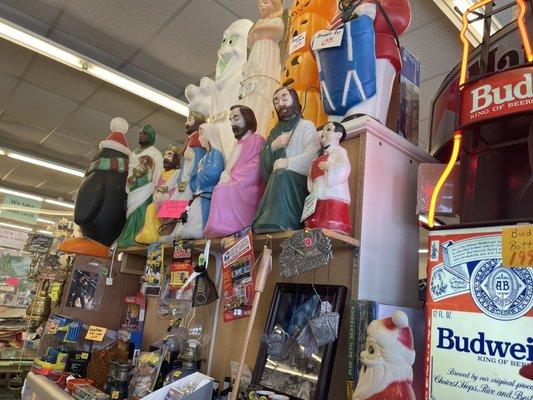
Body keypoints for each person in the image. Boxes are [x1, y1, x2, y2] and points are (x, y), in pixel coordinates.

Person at [253, 87, 320, 233]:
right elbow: (263, 161)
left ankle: (284, 221)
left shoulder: (306, 126)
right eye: (276, 102)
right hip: (278, 180)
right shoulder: (274, 132)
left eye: (284, 98)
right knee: (279, 175)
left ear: (294, 100)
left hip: (299, 181)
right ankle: (268, 220)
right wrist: (273, 146)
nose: (281, 104)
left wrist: (289, 163)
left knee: (281, 175)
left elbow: (313, 156)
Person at [204, 105, 265, 239]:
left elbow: (256, 165)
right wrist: (225, 174)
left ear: (247, 119)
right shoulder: (236, 145)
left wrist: (233, 176)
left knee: (225, 189)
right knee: (219, 188)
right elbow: (230, 166)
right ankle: (219, 226)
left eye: (236, 119)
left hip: (247, 184)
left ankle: (234, 225)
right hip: (234, 181)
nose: (232, 124)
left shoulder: (257, 139)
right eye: (231, 120)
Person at [173, 123, 225, 239]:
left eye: (201, 134)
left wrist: (200, 175)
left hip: (207, 193)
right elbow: (196, 177)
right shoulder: (205, 157)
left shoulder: (216, 153)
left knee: (197, 225)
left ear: (209, 135)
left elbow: (214, 173)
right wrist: (196, 179)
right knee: (186, 225)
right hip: (199, 193)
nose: (199, 138)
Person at [241, 0, 284, 135]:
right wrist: (258, 28)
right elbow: (250, 39)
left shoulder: (277, 20)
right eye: (260, 4)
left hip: (268, 47)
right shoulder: (259, 22)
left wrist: (258, 28)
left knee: (265, 75)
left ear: (275, 5)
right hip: (257, 50)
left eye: (266, 2)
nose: (262, 6)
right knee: (252, 74)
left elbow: (275, 28)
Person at [116, 125, 163, 247]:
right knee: (131, 211)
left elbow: (158, 172)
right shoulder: (133, 153)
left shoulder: (155, 153)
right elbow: (131, 169)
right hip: (134, 187)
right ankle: (129, 236)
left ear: (151, 137)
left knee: (143, 210)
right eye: (140, 133)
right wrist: (130, 179)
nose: (141, 135)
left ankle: (139, 235)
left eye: (145, 133)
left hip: (147, 188)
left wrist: (156, 187)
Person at [353, 311, 416, 400]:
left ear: (390, 356)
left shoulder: (393, 392)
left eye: (371, 350)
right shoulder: (375, 388)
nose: (362, 354)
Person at [305, 122, 352, 235]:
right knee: (318, 210)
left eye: (329, 129)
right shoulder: (319, 154)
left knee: (330, 210)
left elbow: (345, 167)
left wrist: (330, 167)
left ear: (338, 135)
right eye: (323, 130)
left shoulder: (339, 151)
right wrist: (311, 174)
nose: (324, 132)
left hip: (332, 189)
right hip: (319, 187)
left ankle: (334, 222)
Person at [135, 146, 181, 244]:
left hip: (172, 202)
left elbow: (173, 187)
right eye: (165, 154)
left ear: (176, 159)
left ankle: (163, 233)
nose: (165, 157)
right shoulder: (162, 174)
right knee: (150, 208)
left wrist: (163, 190)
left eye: (169, 154)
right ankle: (151, 235)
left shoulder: (178, 172)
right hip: (159, 202)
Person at [173, 112, 207, 202]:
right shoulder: (191, 138)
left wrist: (192, 157)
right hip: (184, 177)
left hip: (190, 178)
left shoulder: (197, 137)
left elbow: (199, 159)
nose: (186, 123)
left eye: (190, 119)